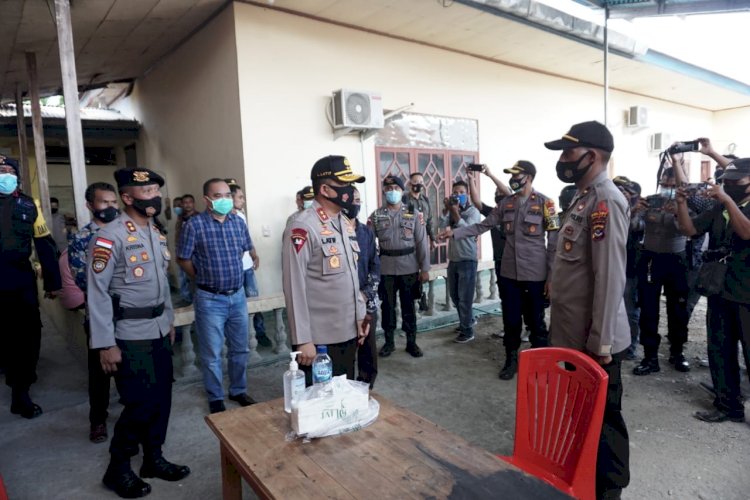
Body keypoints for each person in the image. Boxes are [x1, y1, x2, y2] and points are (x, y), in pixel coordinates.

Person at [87, 167, 189, 498]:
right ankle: (117, 469)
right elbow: (97, 292)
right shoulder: (109, 236)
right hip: (129, 334)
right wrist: (105, 344)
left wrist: (170, 320)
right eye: (146, 192)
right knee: (139, 404)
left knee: (162, 400)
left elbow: (162, 282)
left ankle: (153, 459)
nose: (155, 197)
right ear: (127, 197)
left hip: (158, 328)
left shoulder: (155, 233)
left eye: (157, 190)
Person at [544, 121, 630, 499]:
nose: (562, 161)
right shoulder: (582, 197)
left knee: (604, 421)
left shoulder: (605, 201)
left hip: (594, 343)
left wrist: (602, 343)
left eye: (568, 153)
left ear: (592, 156)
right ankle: (585, 483)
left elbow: (609, 276)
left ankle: (609, 491)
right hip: (572, 335)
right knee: (581, 420)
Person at [440, 161, 559, 380]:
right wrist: (455, 234)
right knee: (511, 320)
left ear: (529, 177)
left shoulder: (546, 203)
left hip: (535, 275)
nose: (514, 179)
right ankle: (511, 361)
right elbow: (482, 226)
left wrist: (551, 278)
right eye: (511, 175)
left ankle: (540, 366)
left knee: (536, 322)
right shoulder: (506, 204)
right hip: (509, 275)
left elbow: (553, 244)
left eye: (517, 175)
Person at [675, 158, 750, 423]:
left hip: (747, 294)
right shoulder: (719, 208)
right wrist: (681, 202)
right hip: (720, 290)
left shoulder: (730, 205)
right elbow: (689, 229)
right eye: (726, 181)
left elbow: (746, 232)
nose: (729, 185)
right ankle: (728, 406)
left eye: (736, 181)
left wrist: (727, 200)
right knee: (720, 350)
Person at [282, 155, 368, 384]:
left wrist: (359, 317)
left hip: (348, 332)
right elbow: (294, 286)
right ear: (325, 189)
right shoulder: (303, 226)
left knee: (343, 398)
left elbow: (351, 277)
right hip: (319, 342)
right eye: (344, 185)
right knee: (320, 406)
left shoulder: (343, 223)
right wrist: (302, 339)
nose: (350, 190)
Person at [177, 178, 256, 414]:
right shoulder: (194, 225)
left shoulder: (238, 223)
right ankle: (215, 396)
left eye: (228, 195)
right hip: (210, 299)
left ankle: (238, 390)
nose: (225, 200)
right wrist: (201, 277)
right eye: (219, 196)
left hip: (237, 296)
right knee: (211, 352)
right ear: (207, 199)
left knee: (240, 349)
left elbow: (245, 250)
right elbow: (183, 258)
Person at [0, 155, 61, 419]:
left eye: (7, 170)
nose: (3, 174)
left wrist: (53, 282)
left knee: (26, 334)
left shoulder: (29, 204)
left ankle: (20, 392)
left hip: (20, 279)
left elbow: (45, 243)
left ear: (16, 175)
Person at [67, 182, 120, 443]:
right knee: (100, 374)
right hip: (99, 316)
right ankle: (98, 421)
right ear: (90, 205)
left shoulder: (128, 233)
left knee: (128, 371)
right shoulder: (81, 239)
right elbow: (82, 280)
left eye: (113, 202)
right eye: (104, 203)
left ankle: (131, 414)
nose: (110, 207)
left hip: (128, 316)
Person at [632, 166, 691, 375]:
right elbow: (635, 226)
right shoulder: (651, 201)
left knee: (678, 309)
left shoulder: (687, 203)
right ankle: (650, 357)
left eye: (672, 186)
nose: (668, 189)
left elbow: (689, 229)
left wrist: (678, 212)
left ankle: (677, 353)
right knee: (649, 309)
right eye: (665, 185)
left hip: (677, 259)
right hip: (651, 258)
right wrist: (634, 211)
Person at [370, 175, 431, 358]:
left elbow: (421, 242)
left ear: (402, 190)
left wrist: (425, 268)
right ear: (383, 191)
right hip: (386, 268)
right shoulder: (376, 215)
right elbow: (368, 242)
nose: (392, 192)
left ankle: (411, 343)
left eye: (396, 188)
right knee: (387, 308)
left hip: (409, 267)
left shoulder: (413, 213)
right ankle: (389, 343)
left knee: (408, 307)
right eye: (388, 189)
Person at [467, 166, 512, 339]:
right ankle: (509, 328)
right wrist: (471, 179)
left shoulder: (514, 209)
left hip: (516, 261)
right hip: (500, 261)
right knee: (505, 297)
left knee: (521, 298)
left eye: (499, 191)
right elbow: (477, 202)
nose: (497, 194)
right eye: (496, 193)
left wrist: (490, 174)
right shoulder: (494, 213)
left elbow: (507, 193)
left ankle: (527, 329)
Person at [225, 179, 269, 347]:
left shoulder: (241, 215)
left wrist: (254, 254)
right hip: (233, 270)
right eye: (240, 197)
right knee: (236, 305)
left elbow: (246, 238)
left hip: (247, 267)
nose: (243, 200)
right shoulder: (221, 218)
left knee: (254, 301)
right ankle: (239, 338)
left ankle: (260, 332)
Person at [438, 180, 481, 343]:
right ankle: (467, 320)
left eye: (461, 192)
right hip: (454, 259)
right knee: (455, 296)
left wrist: (455, 212)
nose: (457, 195)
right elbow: (441, 224)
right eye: (455, 192)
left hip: (467, 259)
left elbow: (466, 230)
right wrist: (446, 210)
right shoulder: (452, 211)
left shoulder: (473, 212)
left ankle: (467, 331)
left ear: (468, 194)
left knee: (465, 297)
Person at [349, 187, 380, 387]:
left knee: (368, 345)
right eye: (352, 199)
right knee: (347, 346)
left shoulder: (366, 232)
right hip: (343, 301)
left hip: (366, 298)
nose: (356, 204)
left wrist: (367, 292)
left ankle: (366, 384)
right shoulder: (333, 231)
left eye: (359, 199)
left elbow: (374, 264)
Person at [613, 176, 644, 361]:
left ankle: (630, 347)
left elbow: (633, 229)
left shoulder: (640, 211)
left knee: (630, 310)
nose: (621, 195)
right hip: (611, 266)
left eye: (625, 192)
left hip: (631, 269)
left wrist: (633, 211)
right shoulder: (609, 207)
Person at [174, 194, 196, 304]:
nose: (187, 205)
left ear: (193, 203)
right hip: (181, 252)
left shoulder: (198, 218)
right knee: (182, 277)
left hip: (193, 254)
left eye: (190, 202)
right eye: (185, 202)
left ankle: (194, 300)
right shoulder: (180, 217)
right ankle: (186, 298)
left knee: (193, 277)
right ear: (182, 204)